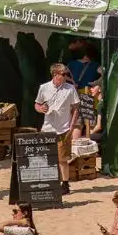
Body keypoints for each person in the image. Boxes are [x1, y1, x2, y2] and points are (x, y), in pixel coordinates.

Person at [35, 63, 79, 194]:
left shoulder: (70, 89)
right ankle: (49, 182)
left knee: (62, 158)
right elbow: (37, 104)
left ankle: (65, 184)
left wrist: (72, 126)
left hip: (63, 128)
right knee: (46, 157)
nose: (66, 77)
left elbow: (76, 108)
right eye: (64, 74)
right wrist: (40, 108)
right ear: (55, 75)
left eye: (66, 74)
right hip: (47, 127)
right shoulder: (44, 88)